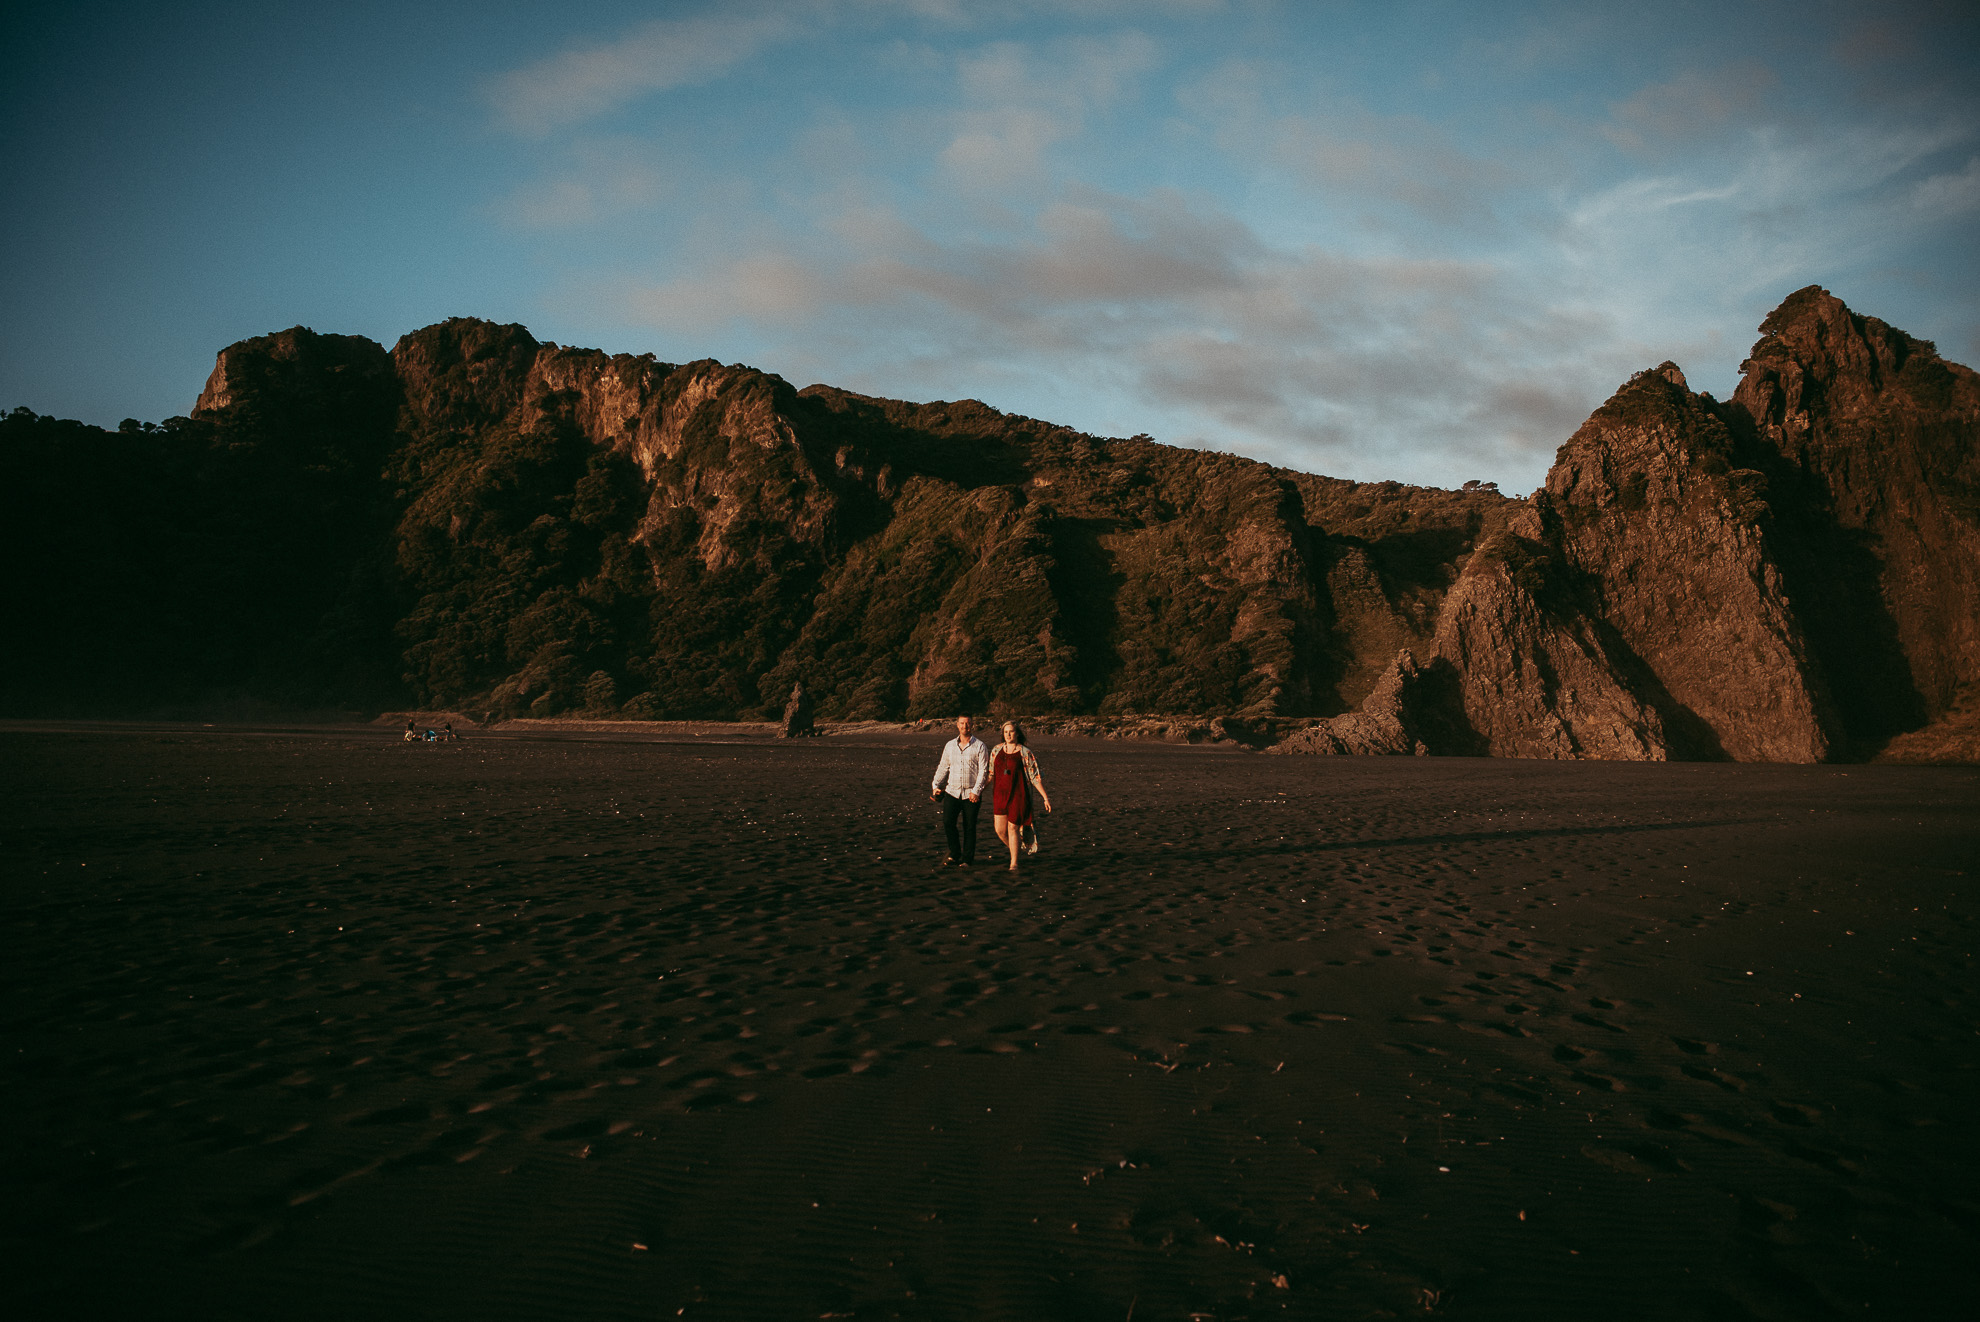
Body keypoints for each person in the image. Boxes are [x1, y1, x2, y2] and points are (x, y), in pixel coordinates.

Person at [989, 720, 1052, 872]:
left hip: (1018, 796)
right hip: (999, 795)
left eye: (1011, 731)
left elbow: (1035, 777)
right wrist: (977, 791)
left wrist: (1045, 797)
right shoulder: (996, 750)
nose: (1008, 735)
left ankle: (1014, 863)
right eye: (1005, 732)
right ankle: (1016, 850)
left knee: (1013, 828)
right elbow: (990, 774)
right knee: (1000, 830)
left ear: (1017, 733)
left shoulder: (1025, 752)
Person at [929, 714, 989, 866]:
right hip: (952, 791)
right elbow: (943, 767)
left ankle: (967, 859)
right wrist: (936, 786)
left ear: (972, 725)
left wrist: (977, 791)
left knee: (969, 827)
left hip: (971, 794)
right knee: (948, 822)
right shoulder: (949, 745)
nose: (965, 726)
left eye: (968, 723)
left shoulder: (980, 746)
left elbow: (983, 771)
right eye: (962, 723)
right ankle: (954, 854)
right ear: (957, 725)